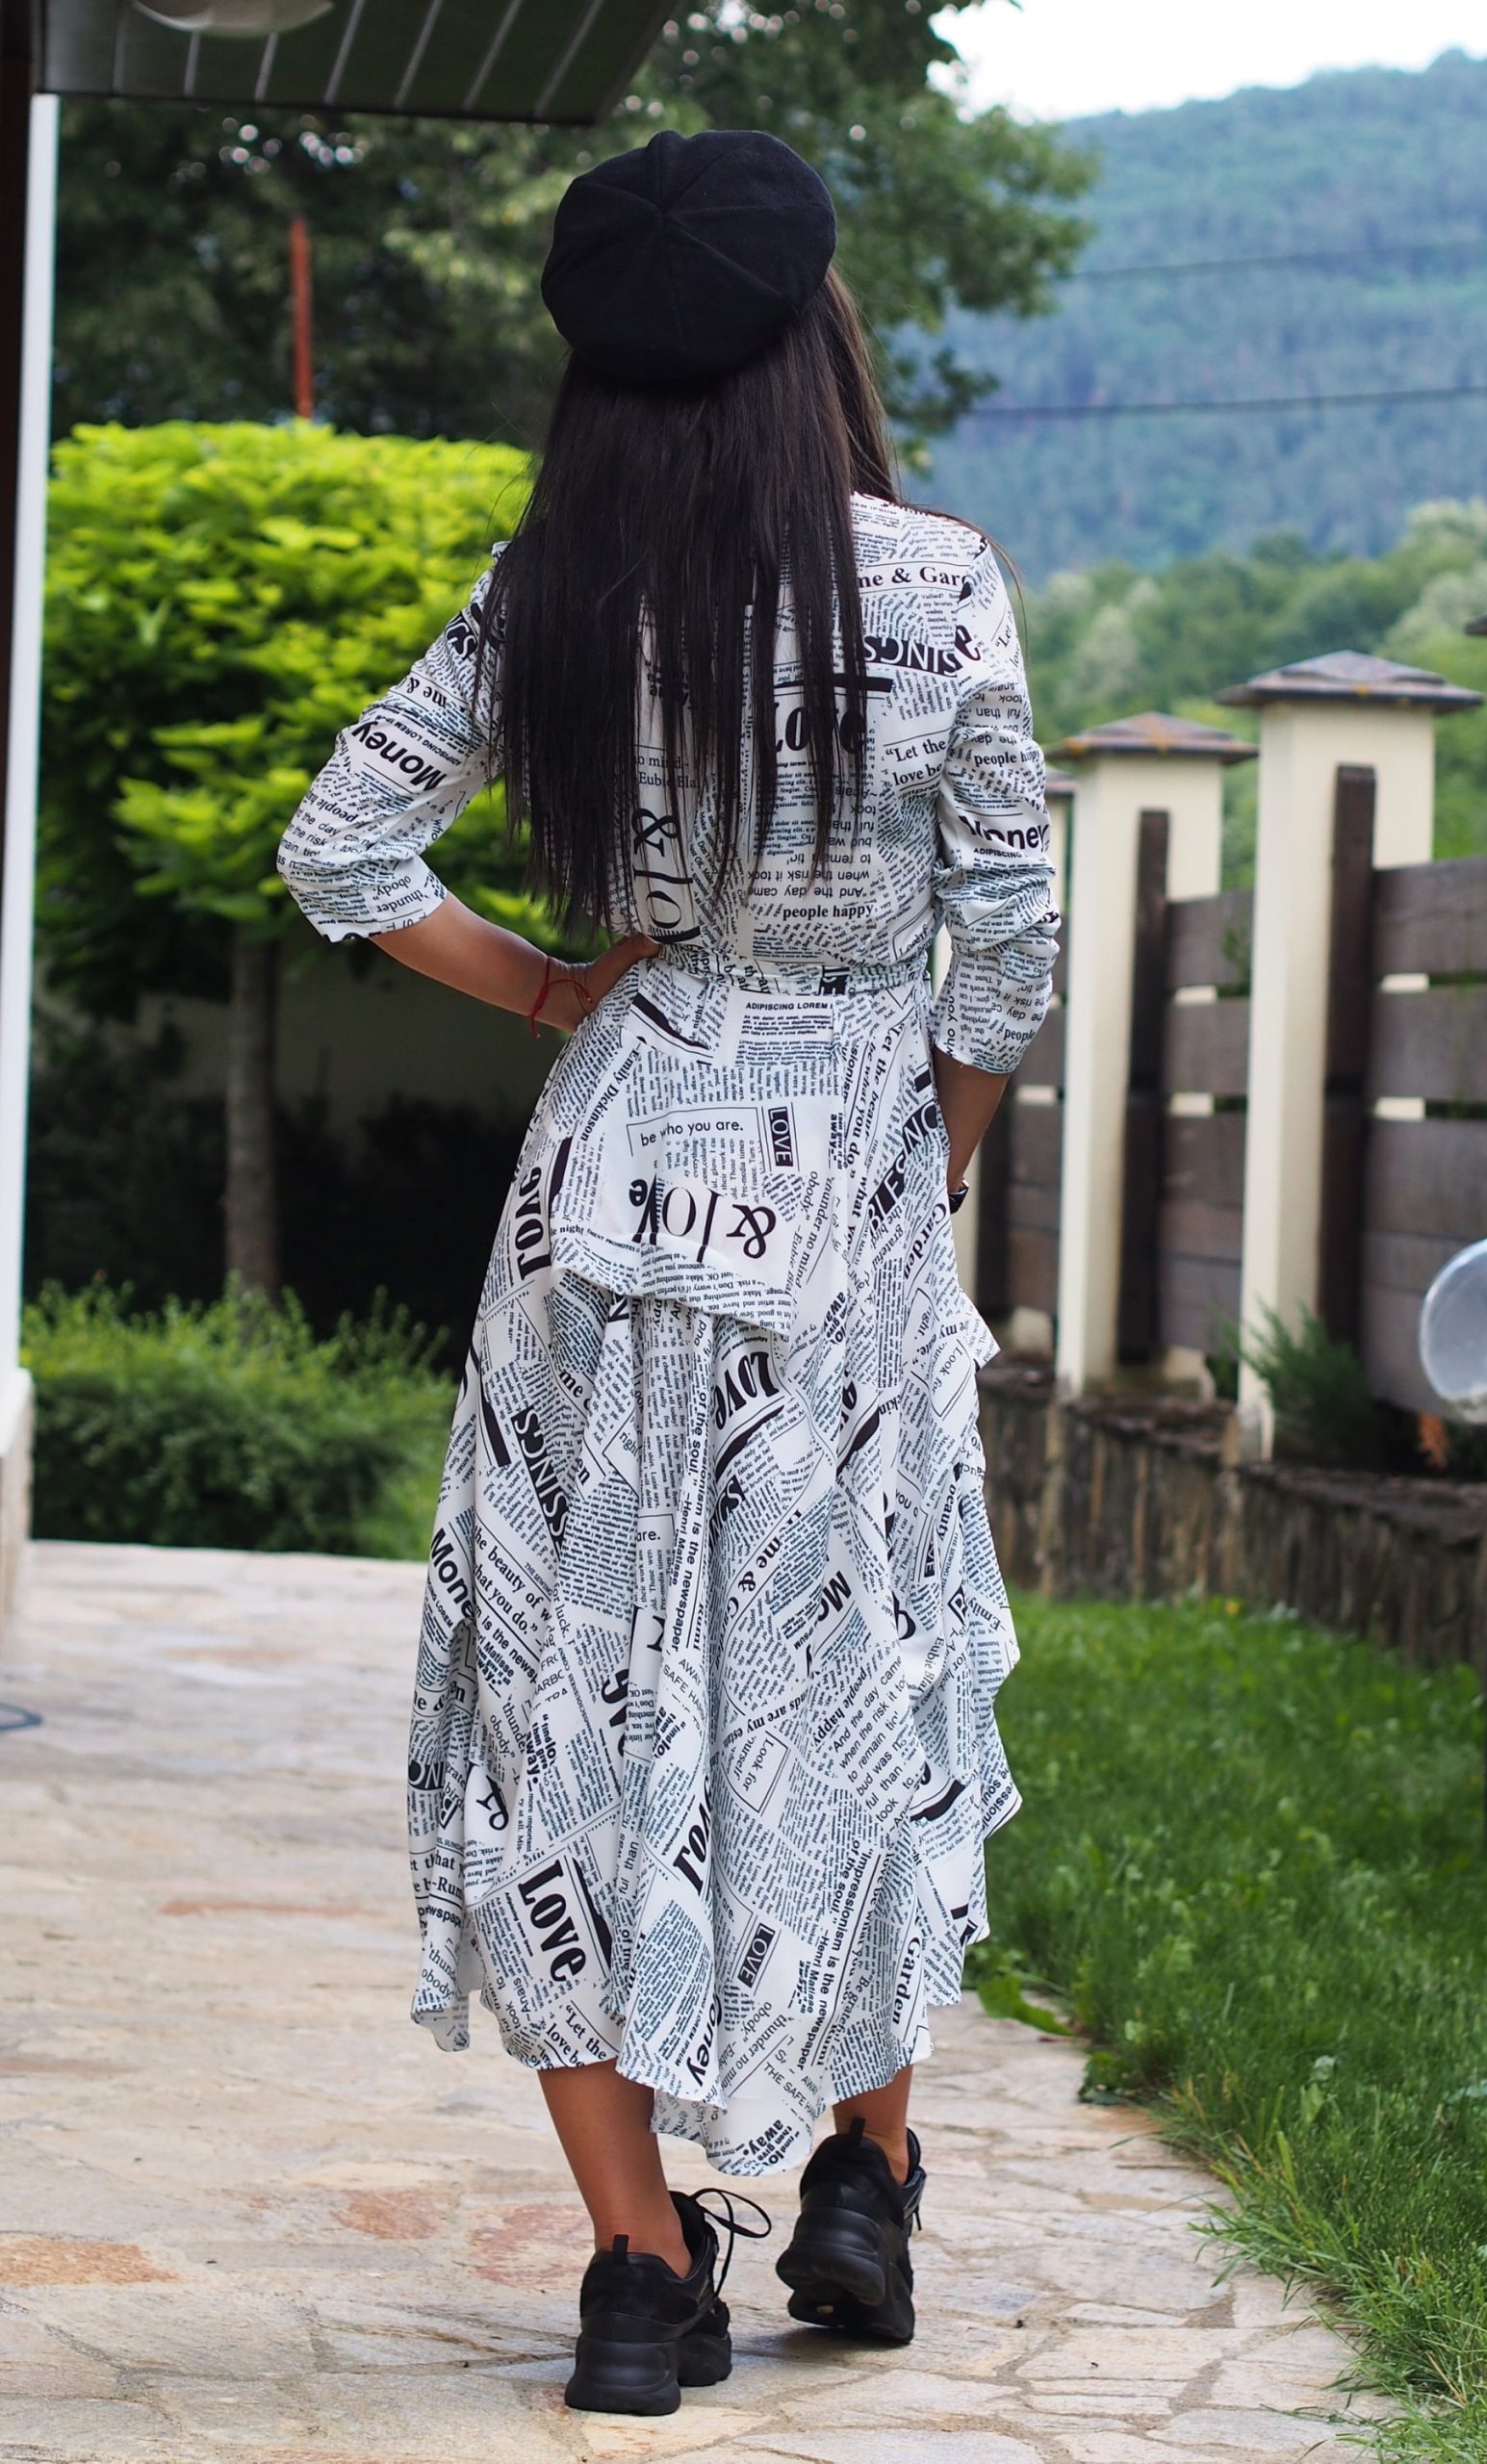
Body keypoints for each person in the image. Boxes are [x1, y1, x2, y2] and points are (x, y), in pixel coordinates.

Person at [277, 127, 1059, 2418]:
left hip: (605, 1197)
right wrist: (921, 1172)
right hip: (851, 1198)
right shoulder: (940, 589)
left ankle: (637, 2270)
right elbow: (1009, 957)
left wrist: (554, 991)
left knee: (571, 1702)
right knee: (857, 1665)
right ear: (820, 337)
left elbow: (343, 843)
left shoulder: (558, 584)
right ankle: (861, 2174)